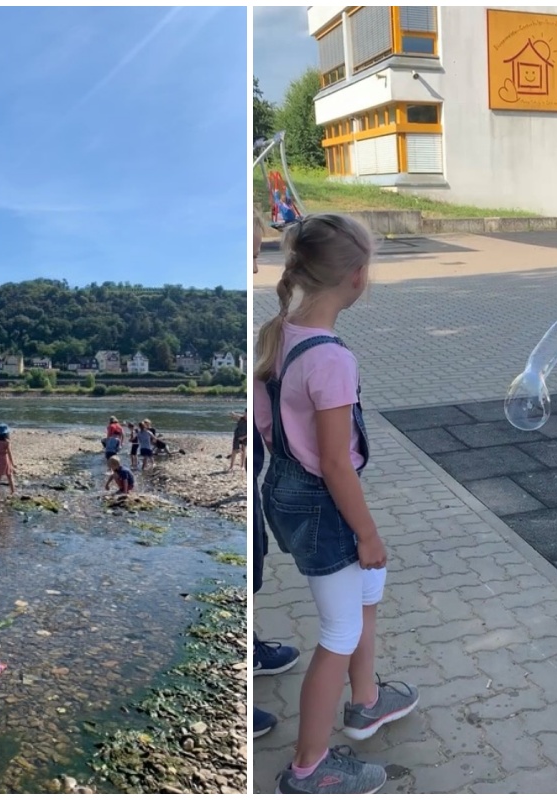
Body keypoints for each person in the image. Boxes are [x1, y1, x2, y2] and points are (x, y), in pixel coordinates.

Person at [254, 213, 418, 793]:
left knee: (368, 591)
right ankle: (308, 769)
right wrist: (368, 533)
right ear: (356, 277)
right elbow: (333, 462)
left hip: (288, 491)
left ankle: (367, 700)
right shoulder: (330, 358)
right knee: (338, 634)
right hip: (323, 501)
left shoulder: (278, 334)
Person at [250, 213, 300, 740]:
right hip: (269, 470)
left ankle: (250, 647)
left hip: (265, 471)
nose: (258, 256)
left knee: (255, 560)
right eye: (253, 245)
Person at [0, 424, 16, 496]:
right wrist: (12, 462)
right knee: (9, 475)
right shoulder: (6, 442)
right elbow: (9, 453)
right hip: (4, 459)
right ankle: (13, 491)